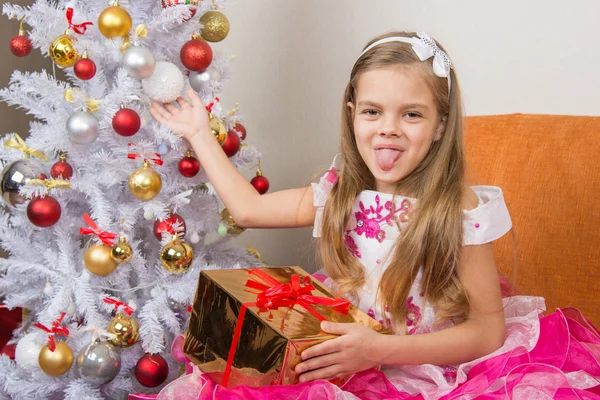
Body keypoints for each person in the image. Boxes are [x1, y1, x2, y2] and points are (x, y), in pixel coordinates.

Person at [150, 31, 600, 399]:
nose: (388, 127)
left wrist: (380, 350)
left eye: (411, 114)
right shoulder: (338, 194)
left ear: (441, 123)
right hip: (342, 357)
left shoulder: (457, 209)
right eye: (372, 111)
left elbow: (486, 331)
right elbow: (247, 208)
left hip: (420, 366)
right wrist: (197, 132)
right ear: (352, 116)